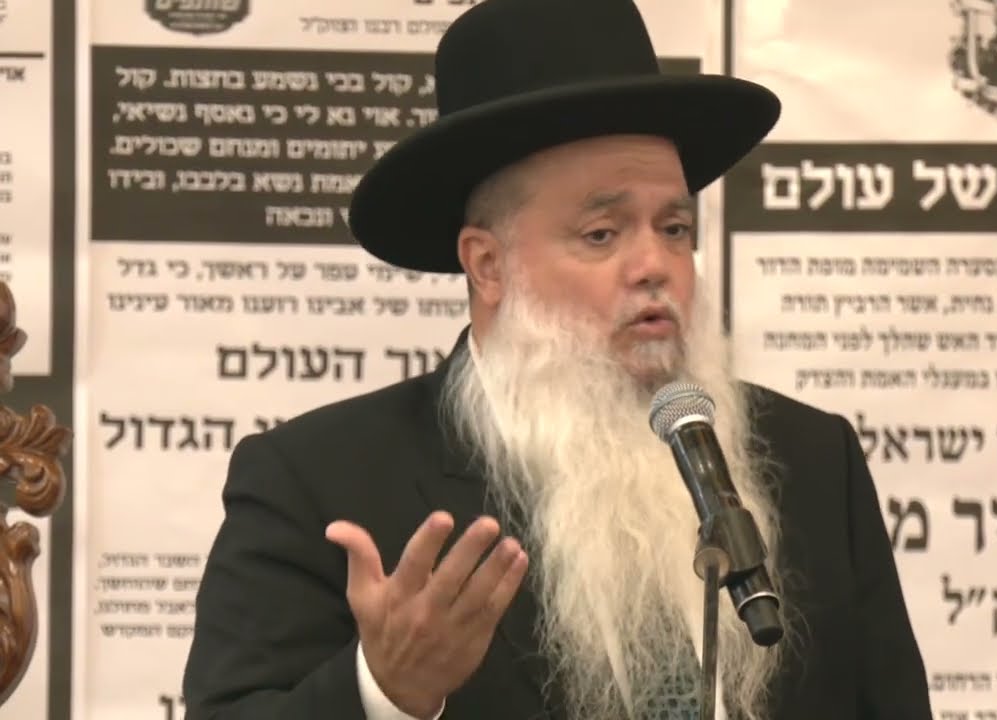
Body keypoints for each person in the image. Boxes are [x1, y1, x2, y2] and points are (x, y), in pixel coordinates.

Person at [180, 0, 933, 718]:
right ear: (488, 266)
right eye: (602, 234)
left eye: (674, 229)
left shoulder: (813, 458)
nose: (655, 265)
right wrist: (384, 693)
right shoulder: (318, 482)